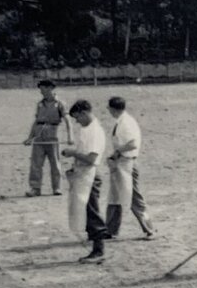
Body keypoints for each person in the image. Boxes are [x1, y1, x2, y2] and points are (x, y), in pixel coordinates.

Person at [61, 100, 110, 264]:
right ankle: (95, 244)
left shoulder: (94, 131)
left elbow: (91, 158)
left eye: (77, 118)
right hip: (83, 173)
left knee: (92, 210)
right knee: (85, 209)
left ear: (84, 112)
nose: (77, 122)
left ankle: (99, 250)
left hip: (91, 174)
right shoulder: (86, 129)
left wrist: (72, 153)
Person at [105, 97, 155, 239]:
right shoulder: (121, 121)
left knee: (134, 197)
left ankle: (149, 228)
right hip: (120, 162)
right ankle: (110, 230)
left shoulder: (126, 123)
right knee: (114, 197)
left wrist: (117, 151)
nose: (109, 111)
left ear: (114, 109)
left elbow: (133, 144)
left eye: (109, 109)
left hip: (127, 163)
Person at [24, 79, 72, 195]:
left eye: (43, 89)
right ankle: (35, 188)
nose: (41, 92)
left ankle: (57, 187)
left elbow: (67, 120)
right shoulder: (40, 104)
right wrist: (30, 137)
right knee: (36, 163)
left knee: (55, 162)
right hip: (39, 136)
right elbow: (36, 122)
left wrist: (71, 136)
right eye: (40, 89)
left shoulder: (60, 103)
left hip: (53, 135)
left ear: (50, 88)